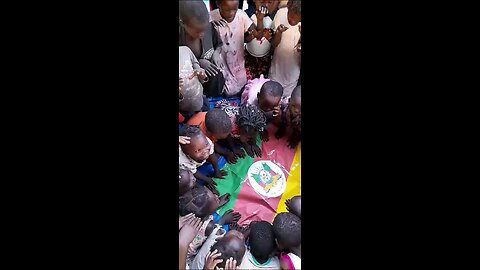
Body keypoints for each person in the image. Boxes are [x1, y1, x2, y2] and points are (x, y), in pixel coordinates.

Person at [210, 0, 257, 97]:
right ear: (218, 4)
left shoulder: (241, 15)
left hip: (237, 61)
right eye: (227, 10)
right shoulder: (211, 17)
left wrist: (254, 32)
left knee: (240, 86)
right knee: (223, 88)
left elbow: (251, 33)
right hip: (220, 61)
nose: (232, 13)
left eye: (234, 9)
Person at [180, 0, 226, 98]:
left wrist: (216, 53)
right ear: (183, 24)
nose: (202, 34)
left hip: (210, 86)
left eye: (204, 30)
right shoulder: (181, 38)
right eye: (198, 31)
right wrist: (199, 63)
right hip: (190, 90)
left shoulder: (208, 26)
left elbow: (218, 44)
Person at [179, 125, 227, 191]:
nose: (204, 151)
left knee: (214, 155)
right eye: (198, 150)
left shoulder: (204, 142)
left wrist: (217, 171)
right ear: (187, 154)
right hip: (187, 165)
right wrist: (207, 180)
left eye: (206, 145)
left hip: (196, 159)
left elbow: (212, 156)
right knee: (187, 179)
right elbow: (195, 173)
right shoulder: (183, 161)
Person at [269, 0, 301, 97]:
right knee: (271, 98)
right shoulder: (280, 14)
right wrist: (278, 33)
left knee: (286, 104)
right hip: (275, 71)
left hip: (293, 76)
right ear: (287, 7)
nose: (292, 22)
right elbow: (273, 45)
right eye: (290, 18)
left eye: (297, 20)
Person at [244, 0, 277, 80]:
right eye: (262, 2)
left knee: (261, 81)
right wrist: (251, 35)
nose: (265, 5)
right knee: (248, 81)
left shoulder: (275, 16)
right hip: (249, 55)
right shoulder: (247, 14)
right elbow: (244, 39)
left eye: (270, 2)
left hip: (265, 57)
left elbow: (271, 40)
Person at [179, 46, 209, 114]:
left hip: (199, 101)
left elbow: (196, 66)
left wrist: (201, 73)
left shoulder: (185, 50)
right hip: (181, 109)